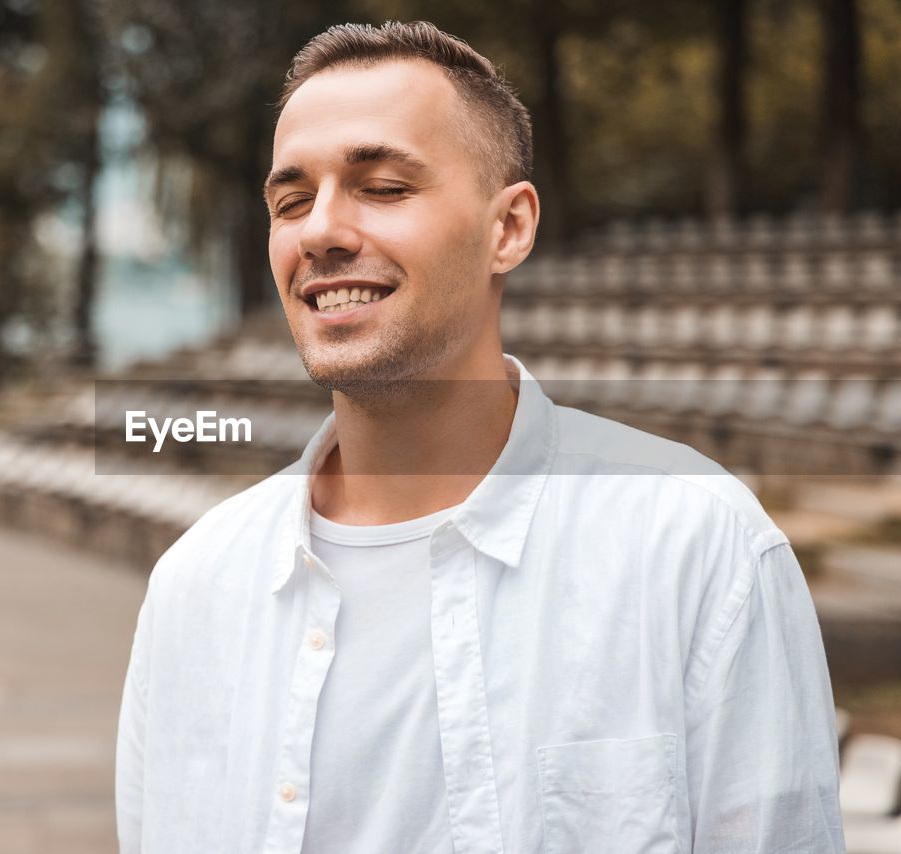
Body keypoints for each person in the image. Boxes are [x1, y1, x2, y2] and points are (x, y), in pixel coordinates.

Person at [116, 20, 845, 854]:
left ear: (510, 228)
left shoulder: (694, 547)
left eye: (383, 187)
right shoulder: (195, 588)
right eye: (290, 201)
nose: (319, 231)